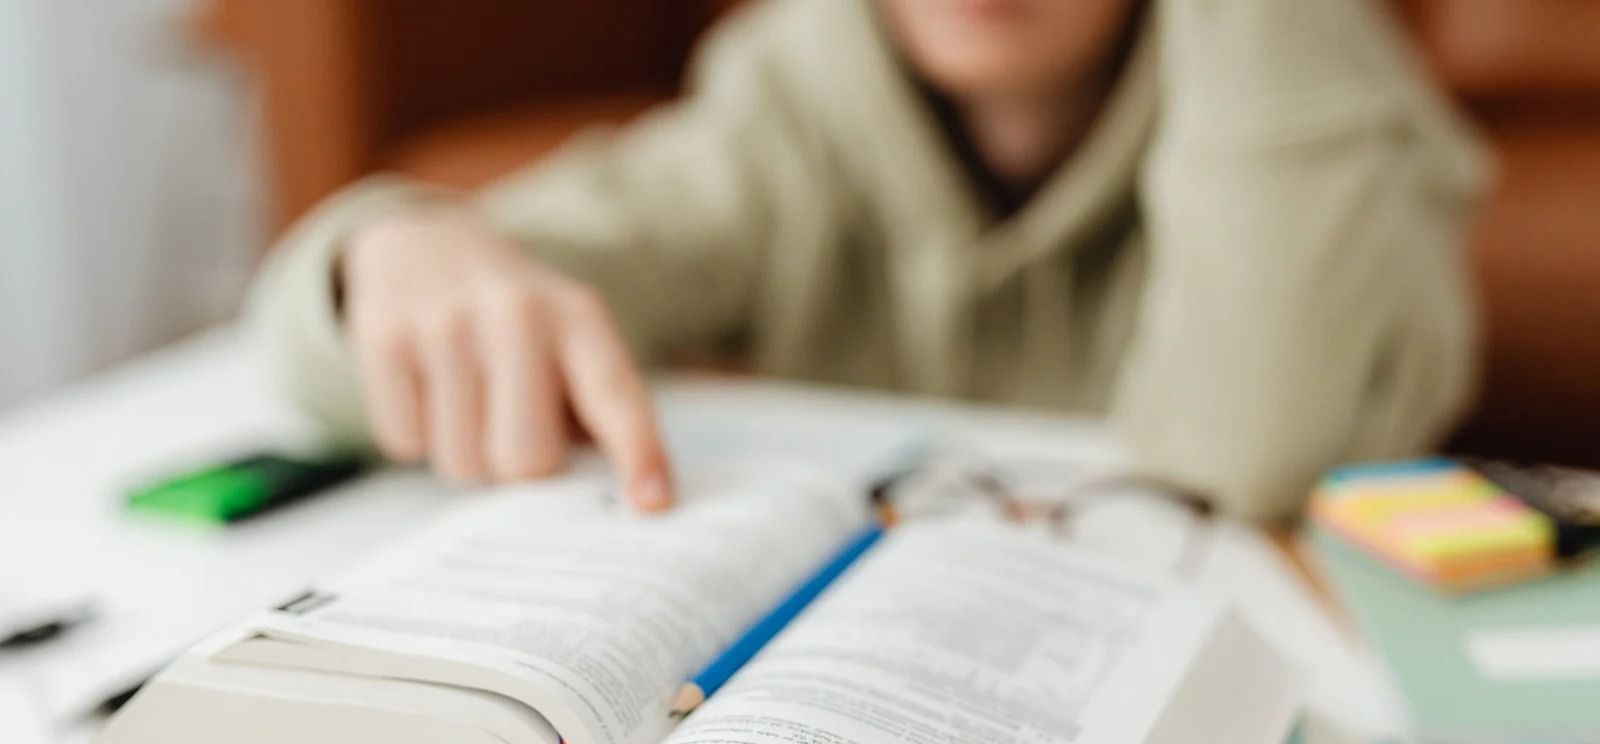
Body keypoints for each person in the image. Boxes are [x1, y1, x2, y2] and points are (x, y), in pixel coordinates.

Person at [250, 0, 1485, 520]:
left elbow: (1249, 455)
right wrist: (390, 252)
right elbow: (383, 344)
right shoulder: (793, 101)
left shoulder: (1320, 117)